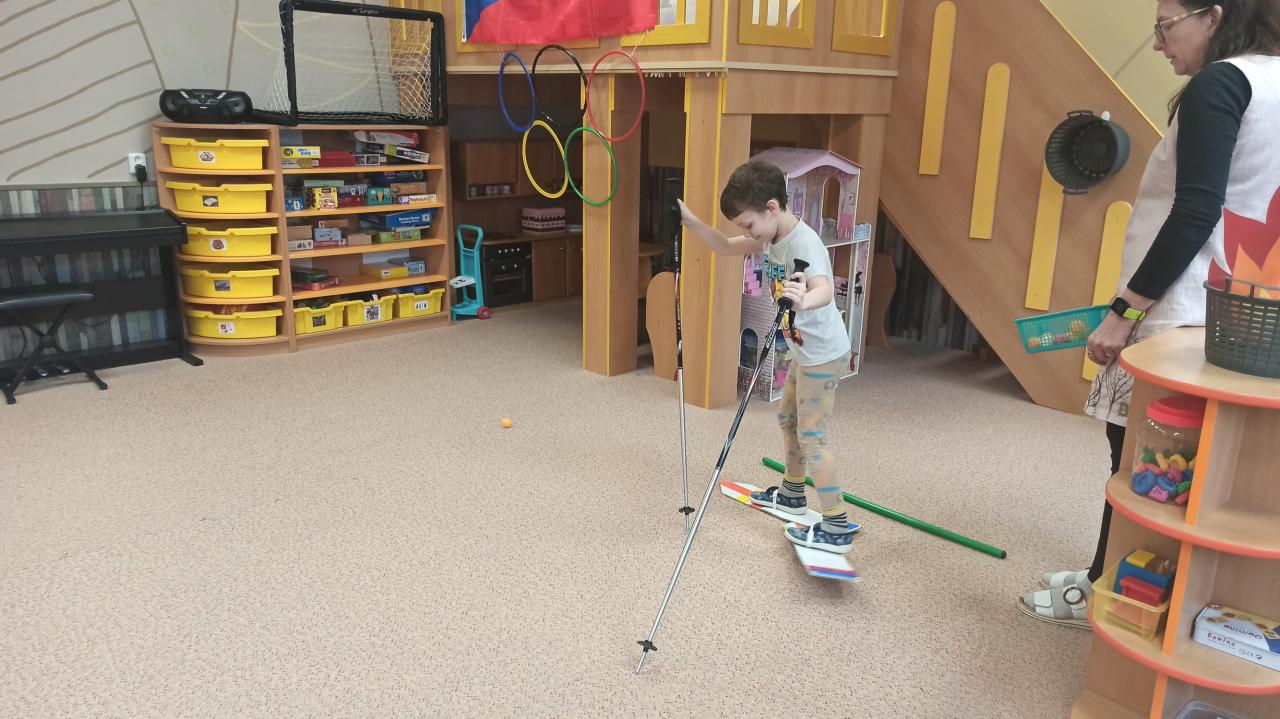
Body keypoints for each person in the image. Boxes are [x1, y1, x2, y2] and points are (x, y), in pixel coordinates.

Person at [1020, 0, 1280, 627]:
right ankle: (1126, 587)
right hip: (1244, 309)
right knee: (1194, 473)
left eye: (1166, 26)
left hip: (1182, 305)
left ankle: (1104, 594)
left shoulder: (1223, 82)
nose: (1159, 43)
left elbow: (1194, 212)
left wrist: (1122, 313)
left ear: (1214, 15)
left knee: (1141, 462)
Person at [678, 160, 856, 554]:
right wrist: (692, 223)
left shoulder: (805, 243)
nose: (747, 233)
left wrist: (803, 300)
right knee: (788, 420)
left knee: (812, 437)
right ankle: (793, 493)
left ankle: (837, 526)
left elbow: (825, 290)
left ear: (772, 208)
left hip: (823, 355)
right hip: (804, 352)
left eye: (749, 224)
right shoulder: (771, 237)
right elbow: (726, 247)